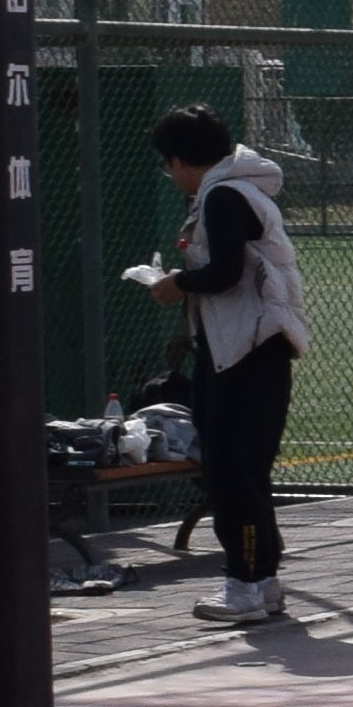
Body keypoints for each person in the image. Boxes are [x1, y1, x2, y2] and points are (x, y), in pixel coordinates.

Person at [140, 104, 306, 628]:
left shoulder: (223, 194)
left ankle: (244, 584)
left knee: (231, 472)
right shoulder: (236, 189)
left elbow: (227, 271)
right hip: (244, 346)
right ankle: (263, 581)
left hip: (245, 351)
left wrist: (177, 284)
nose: (170, 176)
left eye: (168, 165)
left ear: (179, 159)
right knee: (244, 470)